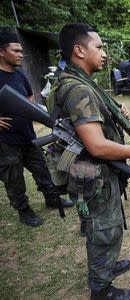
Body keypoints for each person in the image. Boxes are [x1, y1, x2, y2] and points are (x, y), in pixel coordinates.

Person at [54, 23, 130, 300]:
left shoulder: (71, 81)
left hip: (83, 171)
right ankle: (101, 290)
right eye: (99, 47)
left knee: (96, 225)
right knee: (104, 229)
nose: (104, 53)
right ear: (79, 50)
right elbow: (96, 144)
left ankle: (105, 266)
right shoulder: (79, 89)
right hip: (92, 173)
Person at [0, 32, 73, 227]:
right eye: (15, 50)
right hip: (6, 141)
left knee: (42, 170)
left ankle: (52, 199)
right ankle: (24, 211)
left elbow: (30, 99)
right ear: (1, 52)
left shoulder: (19, 75)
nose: (20, 54)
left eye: (21, 51)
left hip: (28, 136)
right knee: (14, 179)